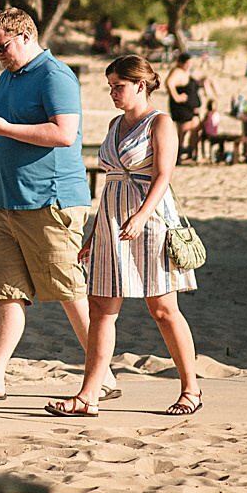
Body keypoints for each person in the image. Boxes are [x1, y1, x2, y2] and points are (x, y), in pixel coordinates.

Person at [47, 55, 202, 417]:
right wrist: (94, 233)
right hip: (112, 223)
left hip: (149, 223)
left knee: (163, 309)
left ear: (140, 84)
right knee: (101, 309)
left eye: (118, 86)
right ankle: (88, 395)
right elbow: (111, 182)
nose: (113, 93)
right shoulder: (116, 124)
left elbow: (163, 176)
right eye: (110, 86)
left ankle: (191, 389)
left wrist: (141, 216)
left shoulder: (160, 123)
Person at [0, 6, 116, 403]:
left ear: (25, 37)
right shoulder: (7, 78)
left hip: (50, 200)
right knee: (7, 291)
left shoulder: (55, 75)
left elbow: (64, 133)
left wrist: (7, 129)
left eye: (1, 45)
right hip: (9, 201)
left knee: (69, 290)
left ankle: (102, 375)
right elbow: (7, 130)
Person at [165, 53, 212, 162]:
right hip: (183, 109)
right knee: (183, 132)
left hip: (191, 108)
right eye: (187, 63)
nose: (189, 65)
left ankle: (191, 153)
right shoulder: (177, 72)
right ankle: (179, 155)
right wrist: (177, 97)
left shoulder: (186, 72)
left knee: (196, 129)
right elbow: (169, 83)